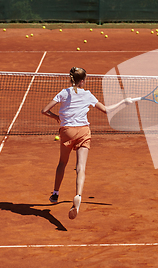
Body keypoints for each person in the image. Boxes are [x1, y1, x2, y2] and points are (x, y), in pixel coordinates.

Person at [41, 67, 132, 219]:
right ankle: (78, 195)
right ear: (82, 81)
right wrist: (123, 102)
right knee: (81, 167)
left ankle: (55, 194)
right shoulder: (88, 95)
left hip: (67, 131)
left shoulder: (64, 93)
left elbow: (44, 110)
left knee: (62, 163)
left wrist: (56, 116)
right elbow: (107, 110)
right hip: (83, 131)